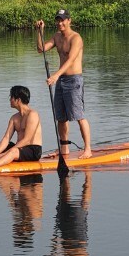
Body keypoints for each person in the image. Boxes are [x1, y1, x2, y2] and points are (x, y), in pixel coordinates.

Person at [36, 9, 92, 160]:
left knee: (79, 116)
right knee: (60, 117)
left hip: (74, 80)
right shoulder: (56, 37)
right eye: (58, 20)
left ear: (69, 21)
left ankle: (88, 149)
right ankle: (64, 148)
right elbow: (41, 49)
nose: (60, 23)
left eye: (63, 20)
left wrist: (55, 75)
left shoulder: (76, 38)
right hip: (61, 81)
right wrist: (39, 31)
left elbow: (71, 60)